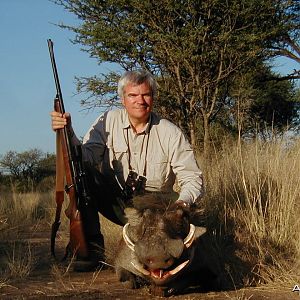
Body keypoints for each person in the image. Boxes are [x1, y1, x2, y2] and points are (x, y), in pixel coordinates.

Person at [50, 69, 204, 271]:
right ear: (123, 99)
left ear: (153, 98)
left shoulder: (170, 132)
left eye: (146, 95)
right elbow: (85, 158)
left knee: (185, 219)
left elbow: (192, 177)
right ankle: (92, 250)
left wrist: (182, 204)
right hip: (119, 204)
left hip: (156, 207)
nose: (140, 101)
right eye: (133, 95)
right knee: (82, 176)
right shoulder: (107, 121)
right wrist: (67, 132)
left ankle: (172, 252)